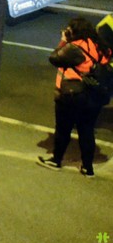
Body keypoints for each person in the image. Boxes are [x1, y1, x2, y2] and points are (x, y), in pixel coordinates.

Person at [38, 17, 110, 177]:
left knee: (63, 130)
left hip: (72, 95)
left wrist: (63, 40)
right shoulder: (98, 45)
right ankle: (88, 168)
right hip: (93, 96)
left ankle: (56, 160)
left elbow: (54, 58)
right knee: (87, 131)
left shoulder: (75, 48)